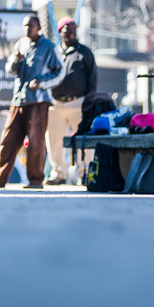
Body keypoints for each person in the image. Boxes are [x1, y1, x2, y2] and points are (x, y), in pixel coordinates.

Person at [0, 14, 63, 190]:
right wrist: (16, 60)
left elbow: (60, 72)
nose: (27, 29)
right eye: (25, 26)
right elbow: (9, 68)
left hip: (38, 101)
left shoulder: (48, 47)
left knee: (35, 142)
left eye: (30, 25)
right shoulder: (21, 44)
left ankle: (35, 180)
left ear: (38, 27)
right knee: (8, 139)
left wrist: (42, 82)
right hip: (18, 99)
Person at [45, 17, 98, 185]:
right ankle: (59, 173)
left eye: (74, 29)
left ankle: (85, 173)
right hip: (56, 103)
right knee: (54, 139)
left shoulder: (84, 52)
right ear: (60, 32)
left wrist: (89, 102)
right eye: (67, 29)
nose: (71, 32)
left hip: (78, 103)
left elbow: (92, 78)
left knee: (83, 140)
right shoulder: (54, 52)